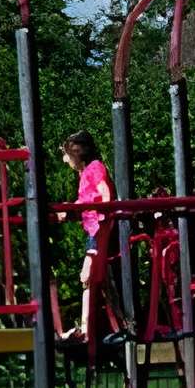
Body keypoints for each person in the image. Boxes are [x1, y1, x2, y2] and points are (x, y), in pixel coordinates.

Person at [57, 133, 113, 347]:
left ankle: (87, 330)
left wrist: (105, 211)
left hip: (99, 229)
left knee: (87, 275)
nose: (64, 160)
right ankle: (87, 326)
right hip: (93, 230)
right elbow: (85, 202)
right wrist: (69, 212)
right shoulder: (84, 174)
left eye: (66, 155)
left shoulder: (95, 168)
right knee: (90, 278)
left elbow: (103, 192)